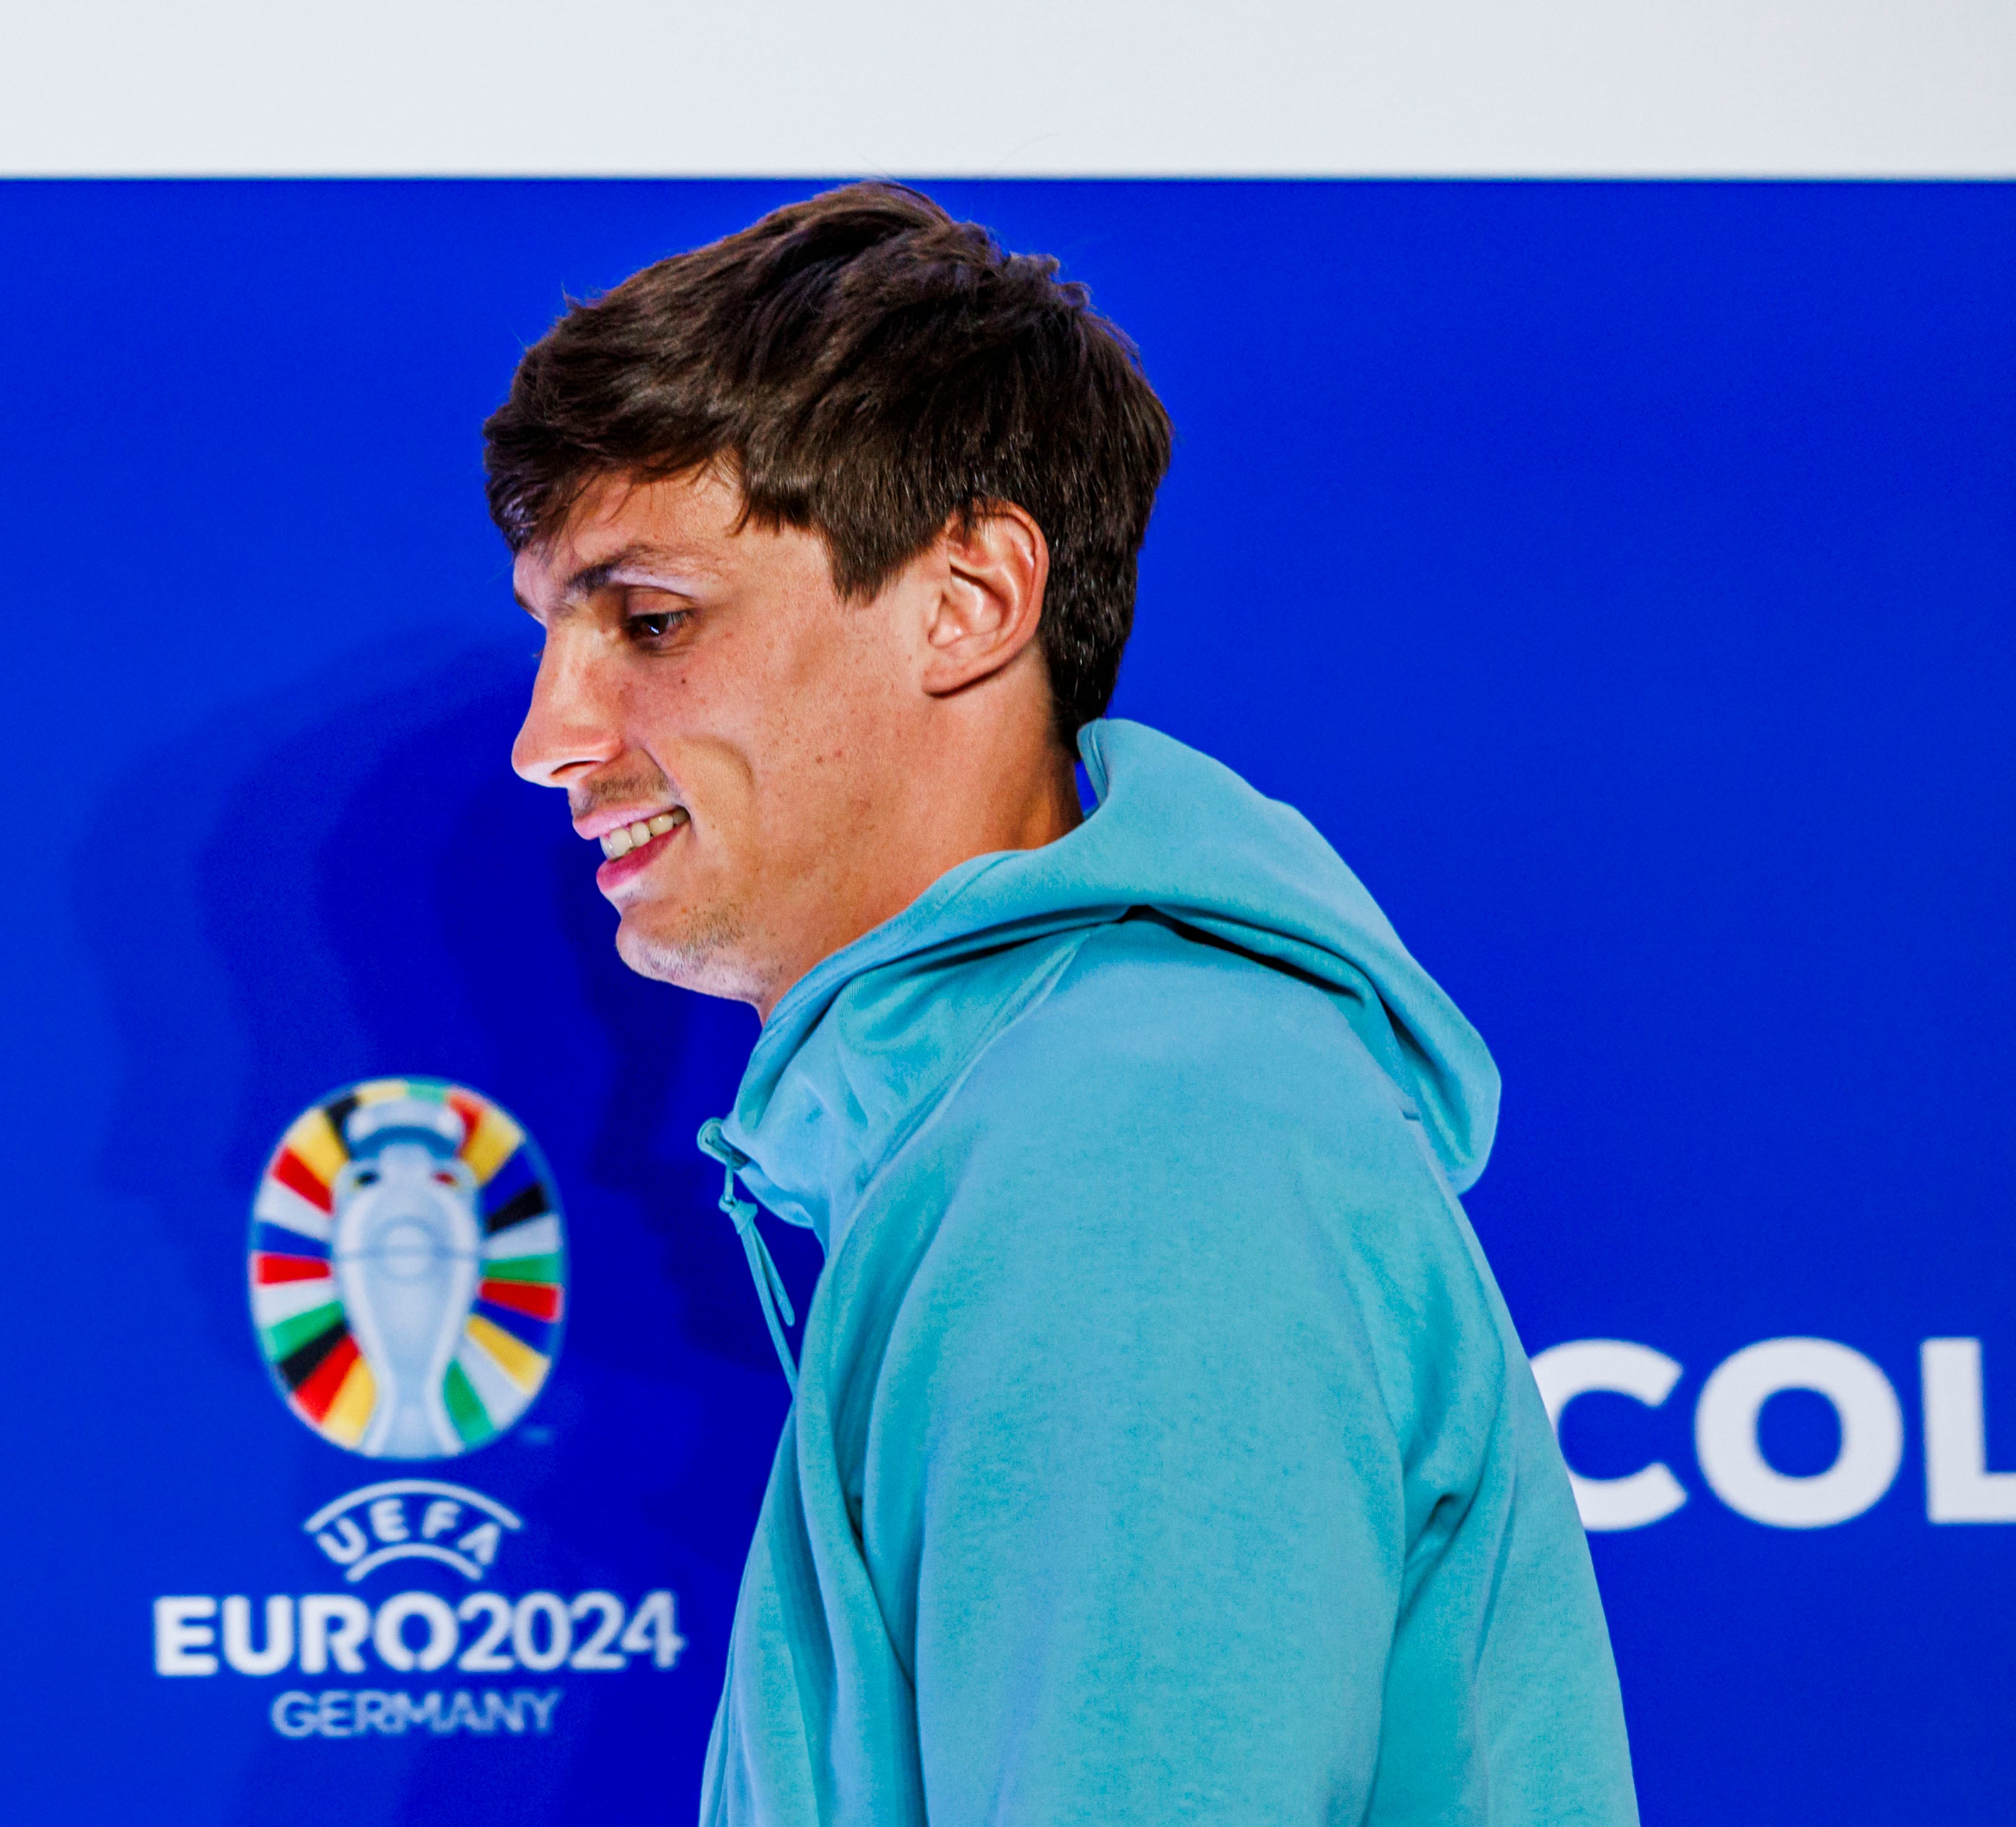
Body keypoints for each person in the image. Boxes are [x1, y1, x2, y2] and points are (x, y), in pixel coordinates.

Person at [485, 184, 1637, 1827]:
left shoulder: (1136, 1149)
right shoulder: (1046, 1124)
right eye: (552, 634)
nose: (551, 733)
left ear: (970, 602)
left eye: (650, 622)